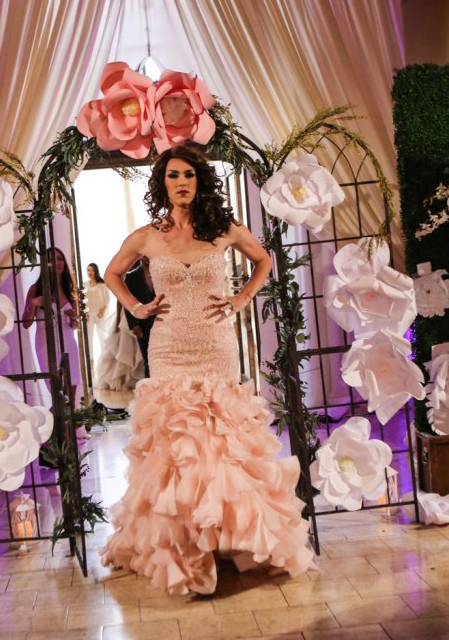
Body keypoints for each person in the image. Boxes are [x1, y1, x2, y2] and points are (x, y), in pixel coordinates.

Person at [99, 145, 314, 596]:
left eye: (189, 175)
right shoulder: (146, 237)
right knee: (177, 448)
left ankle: (227, 542)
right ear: (163, 183)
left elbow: (264, 261)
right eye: (173, 175)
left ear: (200, 181)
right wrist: (138, 306)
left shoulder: (225, 230)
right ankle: (186, 552)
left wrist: (239, 300)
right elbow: (113, 275)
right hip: (170, 348)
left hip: (216, 346)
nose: (181, 182)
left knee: (221, 444)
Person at [21, 247, 82, 406]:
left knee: (71, 398)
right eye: (51, 259)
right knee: (59, 397)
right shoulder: (36, 289)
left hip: (69, 344)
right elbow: (26, 324)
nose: (57, 263)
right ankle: (52, 429)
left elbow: (74, 325)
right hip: (46, 345)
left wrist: (73, 317)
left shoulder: (70, 289)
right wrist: (34, 304)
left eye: (60, 258)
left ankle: (69, 430)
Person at [123, 256, 155, 376]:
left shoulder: (163, 272)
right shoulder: (131, 276)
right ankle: (150, 389)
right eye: (144, 255)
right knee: (148, 358)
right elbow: (127, 303)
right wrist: (134, 325)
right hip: (143, 323)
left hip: (164, 321)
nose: (147, 257)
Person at [85, 262, 113, 359]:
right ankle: (90, 360)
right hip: (89, 313)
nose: (90, 272)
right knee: (89, 337)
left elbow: (107, 298)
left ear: (96, 271)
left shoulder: (102, 284)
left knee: (102, 336)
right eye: (88, 270)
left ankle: (105, 359)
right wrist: (85, 312)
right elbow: (82, 300)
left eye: (92, 270)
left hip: (99, 313)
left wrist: (102, 311)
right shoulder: (85, 285)